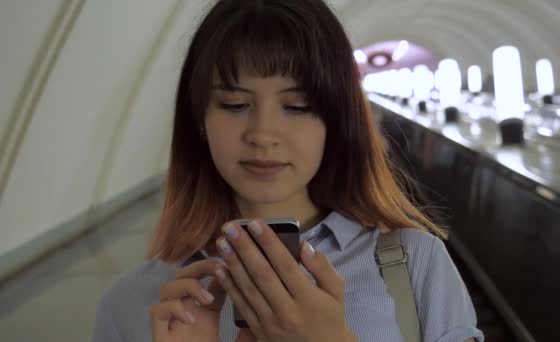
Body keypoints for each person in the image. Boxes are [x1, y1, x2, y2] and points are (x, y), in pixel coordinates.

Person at [93, 0, 485, 341]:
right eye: (234, 104)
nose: (263, 134)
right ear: (199, 119)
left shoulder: (414, 262)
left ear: (335, 121)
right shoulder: (135, 303)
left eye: (297, 107)